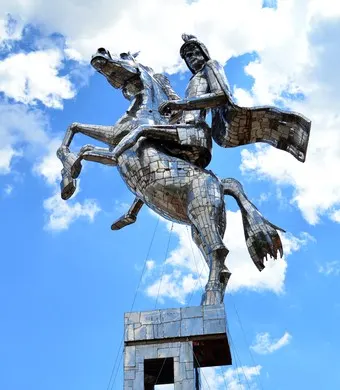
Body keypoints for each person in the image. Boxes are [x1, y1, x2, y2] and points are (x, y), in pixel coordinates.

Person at [159, 33, 311, 163]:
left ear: (203, 52)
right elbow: (182, 109)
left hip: (194, 130)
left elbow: (221, 97)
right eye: (187, 56)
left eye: (194, 52)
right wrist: (167, 90)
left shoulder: (210, 66)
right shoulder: (193, 80)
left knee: (143, 133)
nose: (191, 57)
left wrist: (179, 104)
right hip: (183, 126)